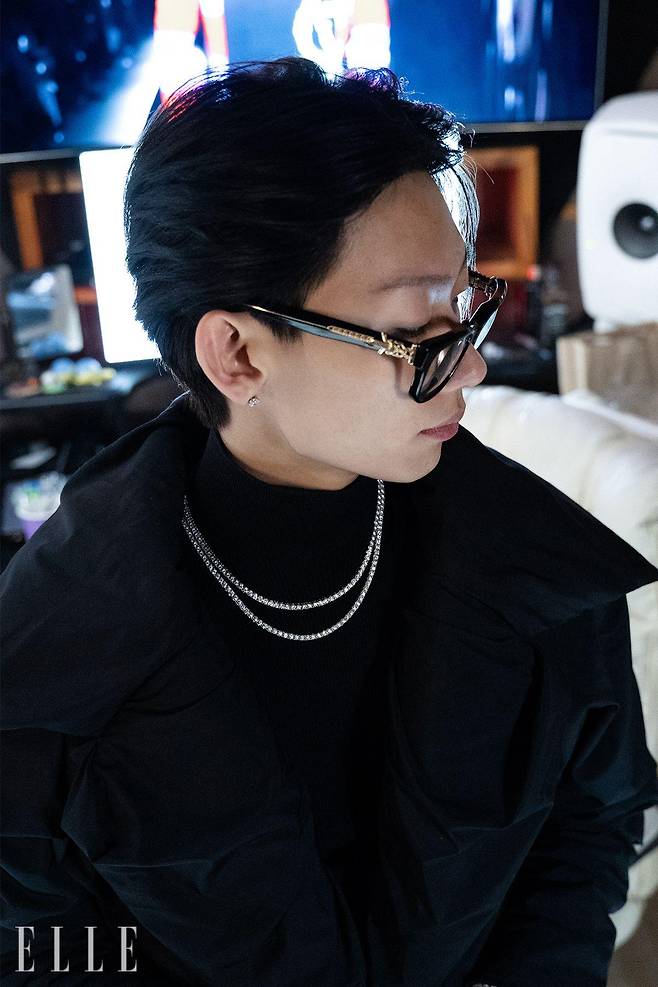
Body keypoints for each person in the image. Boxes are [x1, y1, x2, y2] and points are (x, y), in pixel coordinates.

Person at [1, 56, 657, 987]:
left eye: (465, 308)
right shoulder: (55, 644)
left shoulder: (529, 559)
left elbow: (588, 827)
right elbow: (37, 932)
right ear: (237, 355)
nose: (470, 368)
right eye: (417, 336)